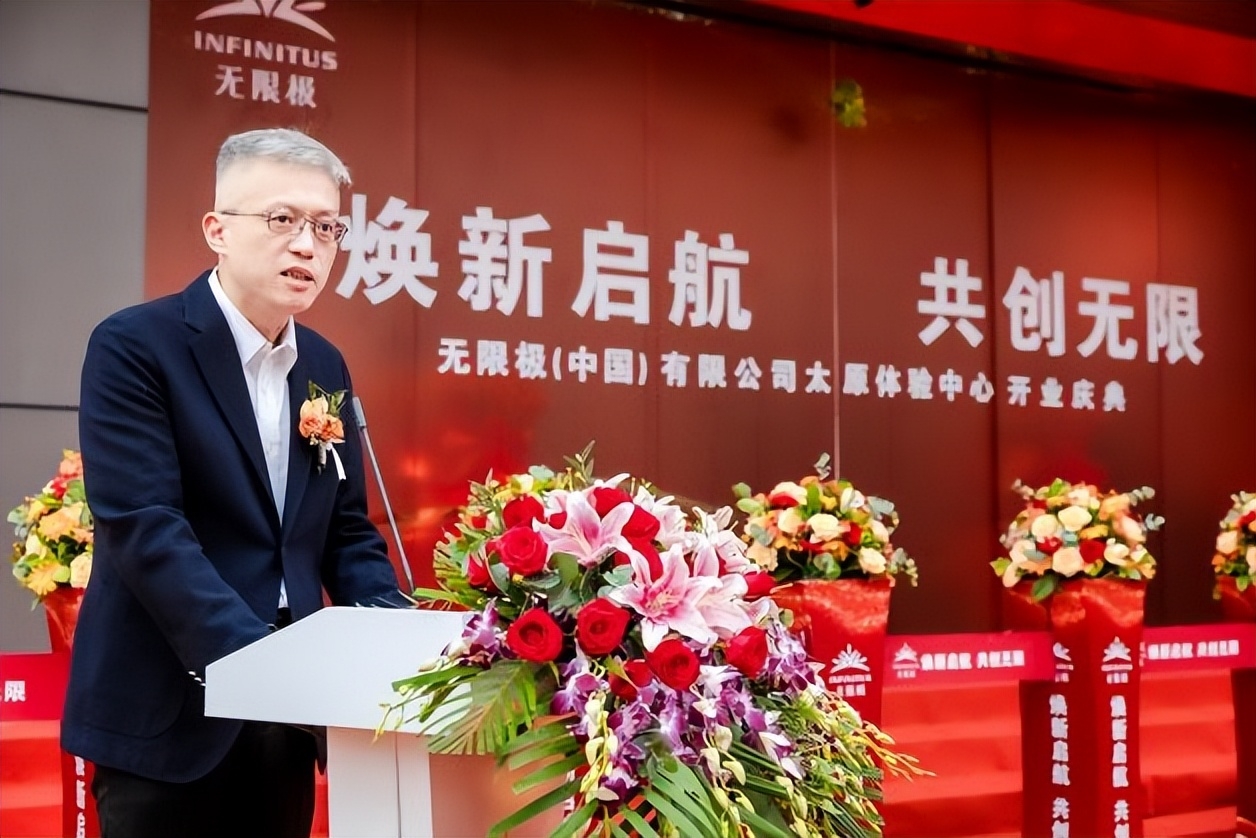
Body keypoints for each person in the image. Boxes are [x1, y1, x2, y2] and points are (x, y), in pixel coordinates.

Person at [62, 127, 410, 838]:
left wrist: (398, 639)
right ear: (217, 230)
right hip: (167, 708)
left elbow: (346, 532)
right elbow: (144, 526)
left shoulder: (324, 365)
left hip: (286, 722)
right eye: (282, 219)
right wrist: (263, 664)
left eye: (327, 227)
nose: (308, 246)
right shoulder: (135, 345)